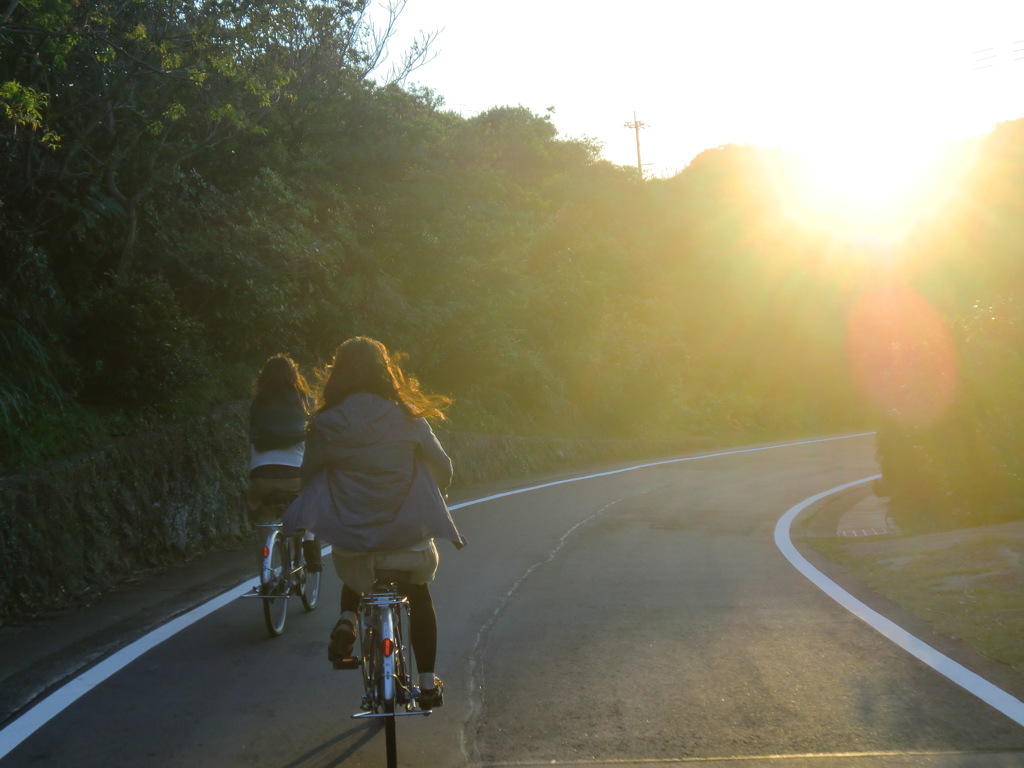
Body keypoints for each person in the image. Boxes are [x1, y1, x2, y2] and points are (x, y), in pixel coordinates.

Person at [283, 336, 464, 710]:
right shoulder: (409, 415)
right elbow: (443, 467)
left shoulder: (325, 423)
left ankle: (348, 617)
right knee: (420, 593)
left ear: (338, 374)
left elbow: (309, 475)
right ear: (386, 372)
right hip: (407, 540)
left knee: (356, 568)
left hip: (353, 543)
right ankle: (427, 684)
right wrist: (437, 494)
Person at [247, 354, 320, 571]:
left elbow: (251, 437)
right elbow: (315, 440)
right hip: (295, 476)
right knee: (310, 504)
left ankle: (266, 571)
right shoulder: (307, 401)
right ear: (294, 376)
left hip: (261, 476)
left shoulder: (257, 404)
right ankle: (309, 544)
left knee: (262, 516)